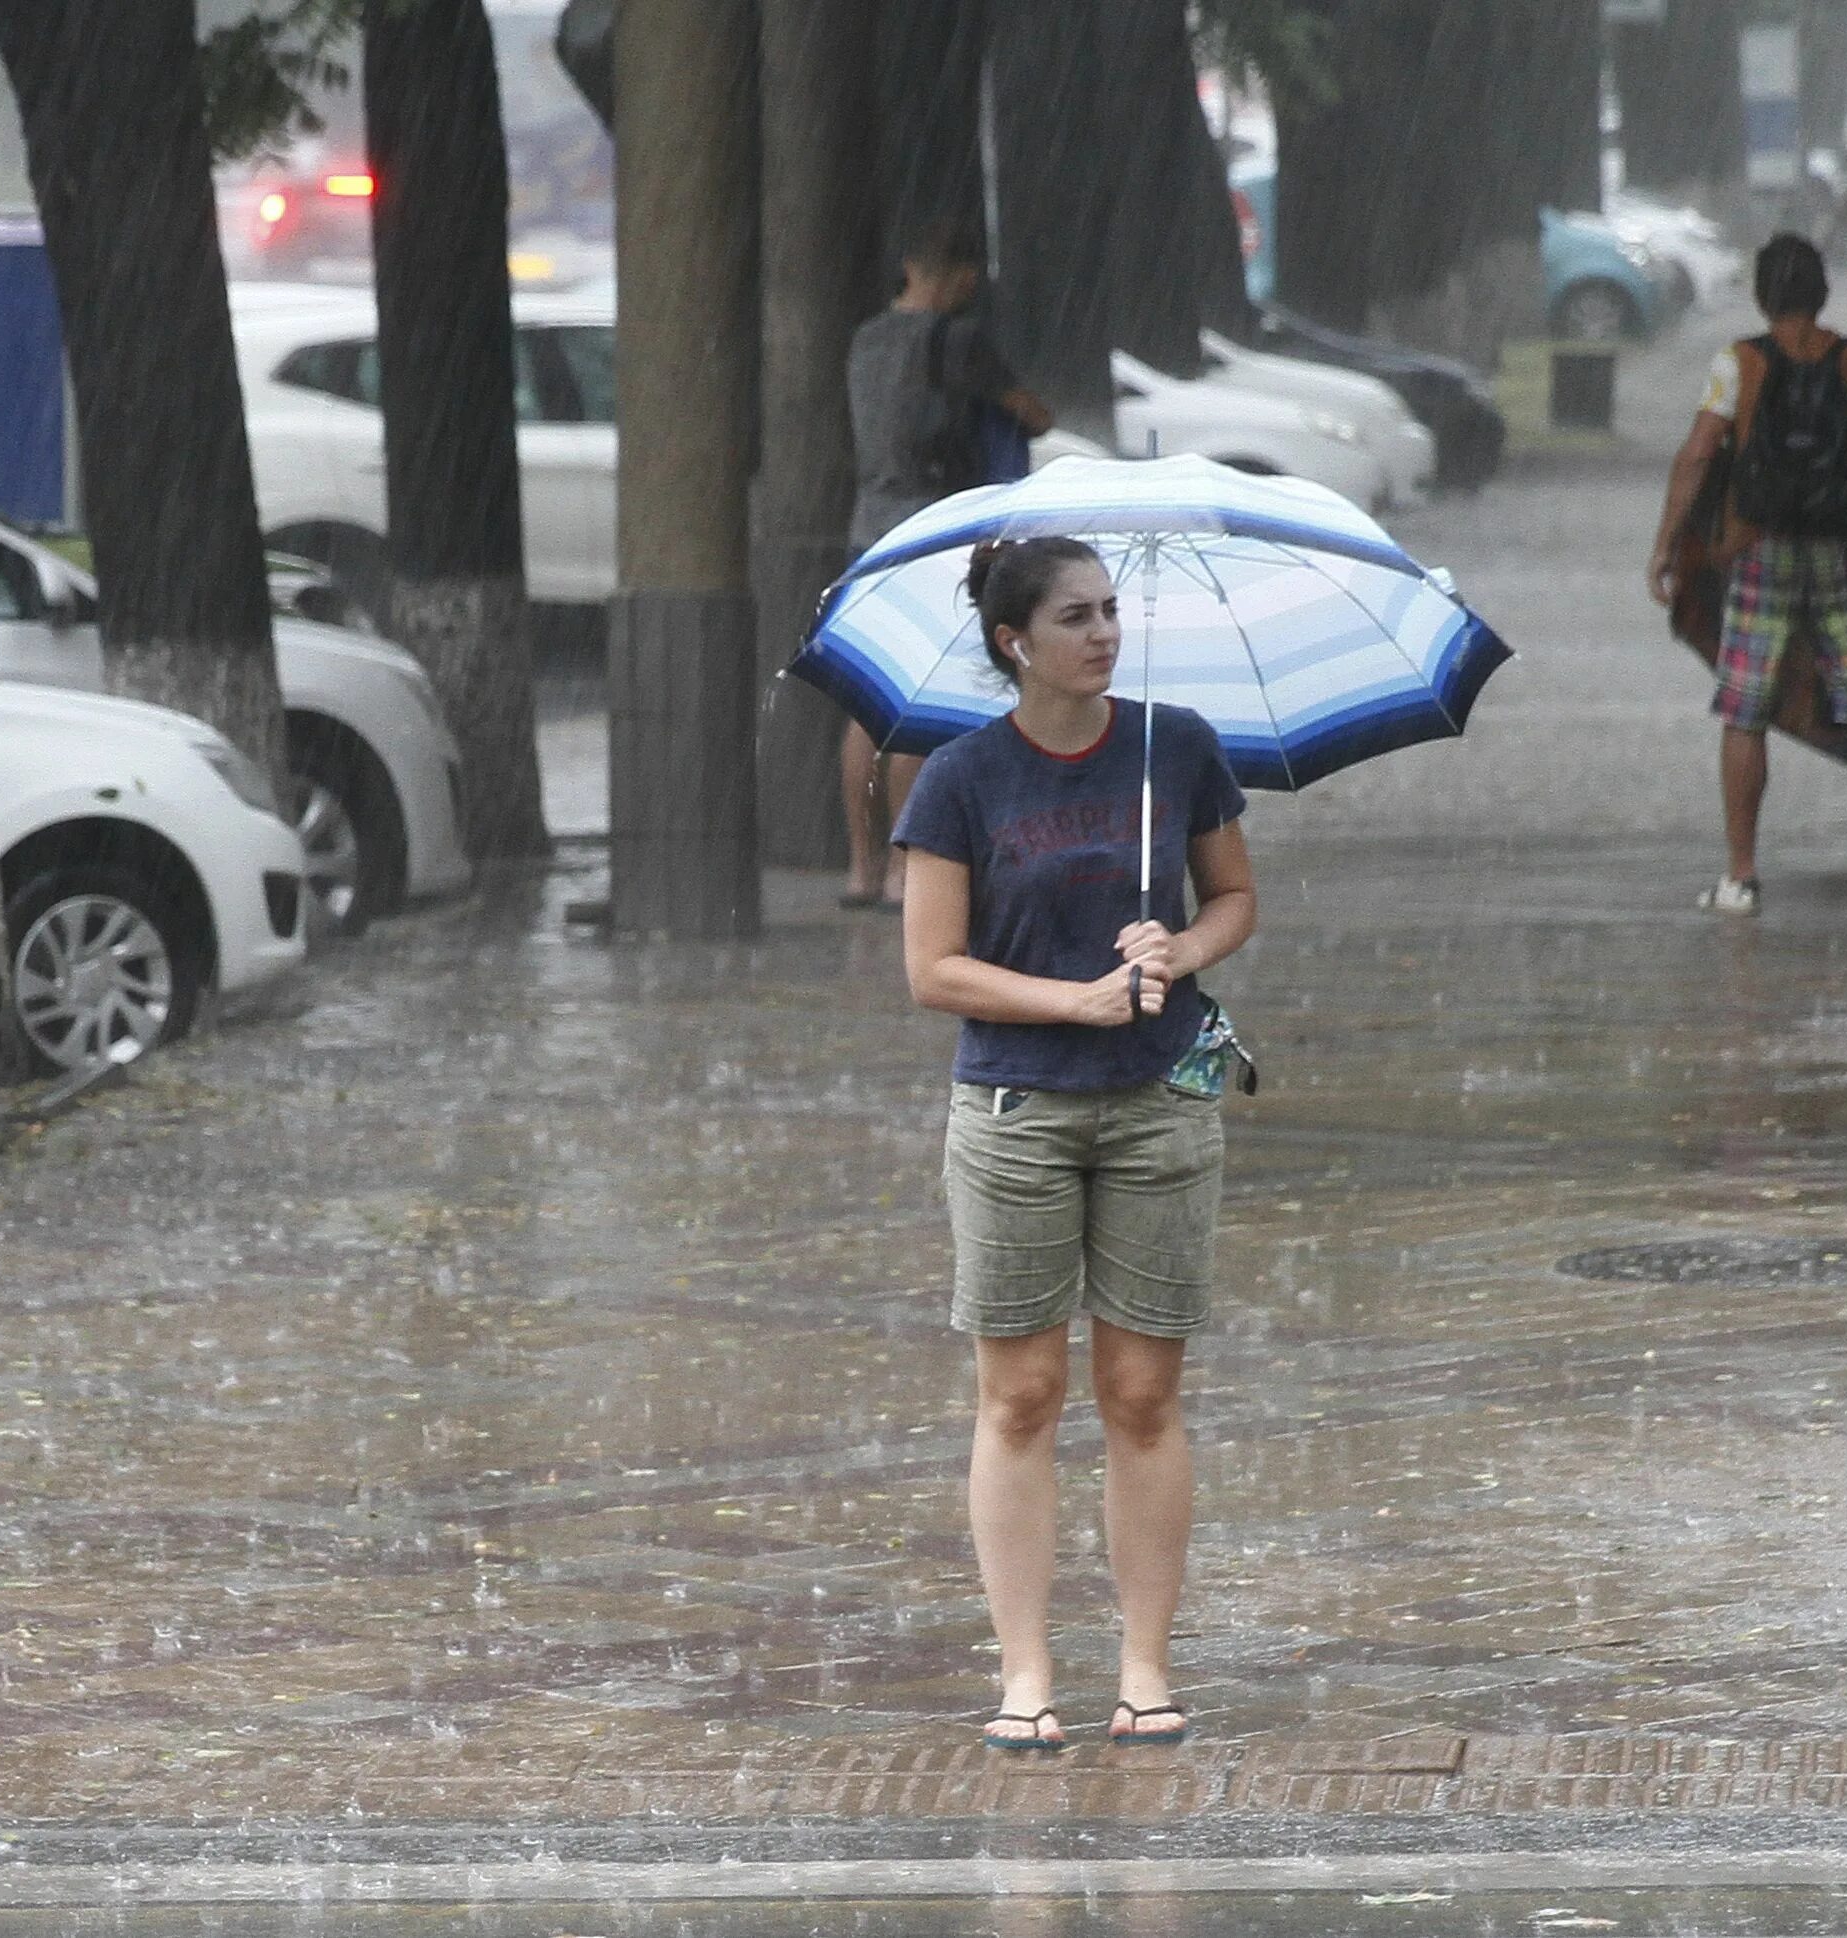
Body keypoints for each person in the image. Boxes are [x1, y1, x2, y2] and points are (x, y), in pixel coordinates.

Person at [893, 536, 1256, 1752]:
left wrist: (1180, 953)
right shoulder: (959, 779)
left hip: (1161, 1105)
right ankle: (1025, 1676)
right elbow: (932, 970)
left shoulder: (1175, 747)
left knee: (1144, 1396)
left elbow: (1235, 900)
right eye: (1074, 617)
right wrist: (1073, 1003)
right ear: (1015, 643)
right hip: (1013, 1117)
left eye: (1111, 612)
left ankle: (1146, 1671)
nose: (1103, 634)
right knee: (1023, 1396)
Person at [1648, 231, 1847, 913]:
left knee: (1744, 708)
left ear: (1761, 295)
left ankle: (1741, 877)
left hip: (1762, 549)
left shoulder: (1740, 364)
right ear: (1820, 292)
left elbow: (1697, 454)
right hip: (1846, 547)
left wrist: (1666, 543)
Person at [839, 220, 1056, 910]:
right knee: (922, 699)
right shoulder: (960, 342)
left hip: (868, 530)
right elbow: (1035, 416)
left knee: (869, 703)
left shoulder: (865, 339)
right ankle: (908, 871)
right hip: (935, 526)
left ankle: (860, 868)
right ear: (958, 275)